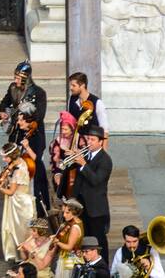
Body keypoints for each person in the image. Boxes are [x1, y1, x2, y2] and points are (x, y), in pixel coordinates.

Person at [1, 61, 52, 214]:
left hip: (33, 133)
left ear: (26, 78)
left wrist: (26, 119)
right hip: (17, 133)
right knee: (16, 166)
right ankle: (17, 197)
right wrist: (3, 112)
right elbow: (5, 102)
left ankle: (40, 204)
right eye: (15, 77)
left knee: (35, 168)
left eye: (18, 78)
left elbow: (39, 115)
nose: (15, 80)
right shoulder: (12, 88)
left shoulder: (39, 93)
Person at [74, 125, 113, 260]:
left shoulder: (105, 160)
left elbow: (96, 180)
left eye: (92, 140)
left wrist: (83, 165)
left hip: (96, 209)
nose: (89, 142)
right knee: (85, 238)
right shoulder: (86, 155)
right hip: (83, 206)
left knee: (99, 240)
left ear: (100, 142)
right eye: (88, 139)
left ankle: (104, 265)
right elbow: (78, 180)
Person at [0, 143, 37, 262]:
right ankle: (21, 256)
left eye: (5, 157)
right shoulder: (19, 162)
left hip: (19, 204)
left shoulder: (18, 171)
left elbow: (11, 192)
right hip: (21, 200)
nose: (4, 160)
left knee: (19, 230)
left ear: (12, 156)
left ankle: (24, 257)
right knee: (19, 229)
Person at [51, 112, 81, 199]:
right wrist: (57, 173)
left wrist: (75, 154)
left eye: (66, 129)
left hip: (77, 171)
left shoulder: (79, 139)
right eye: (62, 129)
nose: (63, 132)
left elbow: (86, 156)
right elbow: (55, 160)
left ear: (72, 129)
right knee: (59, 183)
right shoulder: (58, 141)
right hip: (62, 170)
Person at [54, 199, 87, 276]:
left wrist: (57, 242)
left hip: (70, 260)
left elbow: (69, 247)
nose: (64, 215)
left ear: (74, 213)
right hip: (66, 257)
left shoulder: (75, 227)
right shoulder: (72, 222)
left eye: (67, 213)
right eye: (64, 212)